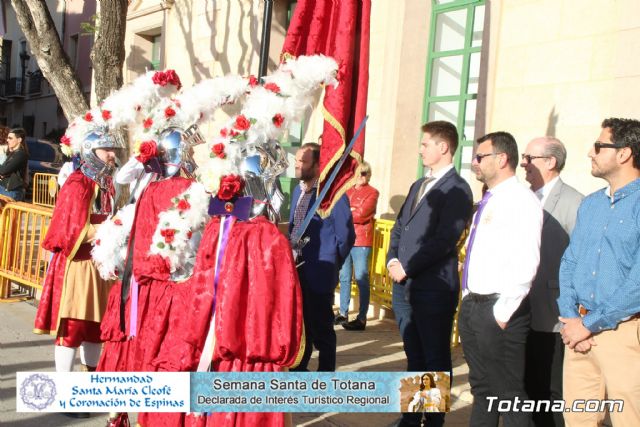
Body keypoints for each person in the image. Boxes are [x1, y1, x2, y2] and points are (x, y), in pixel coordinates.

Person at [387, 120, 473, 427]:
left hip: (434, 287)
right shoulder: (417, 184)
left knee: (435, 358)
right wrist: (392, 261)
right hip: (406, 286)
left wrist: (407, 267)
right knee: (414, 353)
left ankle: (433, 422)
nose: (420, 149)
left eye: (425, 144)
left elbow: (443, 240)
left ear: (443, 147)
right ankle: (411, 418)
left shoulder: (458, 190)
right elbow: (400, 227)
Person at [33, 121, 122, 416]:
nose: (111, 154)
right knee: (72, 329)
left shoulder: (106, 184)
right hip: (77, 264)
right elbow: (69, 229)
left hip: (100, 266)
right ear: (91, 149)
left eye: (112, 148)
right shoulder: (78, 182)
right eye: (106, 148)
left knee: (95, 330)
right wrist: (110, 230)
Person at [558, 118, 640, 427]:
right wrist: (570, 319)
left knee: (627, 420)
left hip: (623, 333)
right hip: (578, 332)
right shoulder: (591, 204)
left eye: (598, 145)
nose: (589, 152)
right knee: (578, 419)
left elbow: (637, 283)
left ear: (624, 154)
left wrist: (589, 324)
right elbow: (570, 262)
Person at [458, 131, 542, 427]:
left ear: (502, 158)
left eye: (481, 156)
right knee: (483, 391)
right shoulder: (491, 198)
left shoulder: (521, 200)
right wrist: (469, 299)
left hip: (499, 310)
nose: (475, 162)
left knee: (509, 397)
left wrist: (502, 313)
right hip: (475, 305)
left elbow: (527, 261)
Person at [520, 136, 583, 427]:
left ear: (550, 162)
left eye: (528, 157)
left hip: (552, 313)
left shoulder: (575, 202)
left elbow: (580, 260)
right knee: (525, 386)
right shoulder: (523, 198)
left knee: (550, 390)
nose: (522, 163)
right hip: (518, 309)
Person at [289, 142, 355, 372]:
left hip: (320, 272)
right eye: (297, 160)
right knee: (301, 326)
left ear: (318, 165)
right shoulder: (297, 191)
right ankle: (300, 369)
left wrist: (331, 261)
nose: (297, 165)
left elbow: (346, 235)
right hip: (296, 270)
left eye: (303, 161)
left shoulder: (331, 195)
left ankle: (325, 377)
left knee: (322, 330)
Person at [337, 161, 379, 330]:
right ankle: (343, 313)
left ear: (369, 175)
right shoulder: (347, 191)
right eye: (359, 173)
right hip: (347, 237)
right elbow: (340, 211)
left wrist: (350, 211)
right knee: (344, 277)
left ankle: (362, 318)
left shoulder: (373, 192)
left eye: (365, 173)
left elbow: (362, 214)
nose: (361, 177)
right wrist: (352, 210)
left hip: (361, 239)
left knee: (361, 278)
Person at [0, 128, 29, 201]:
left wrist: (3, 172)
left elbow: (4, 170)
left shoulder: (21, 154)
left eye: (10, 138)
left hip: (11, 192)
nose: (7, 140)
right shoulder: (13, 153)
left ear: (19, 140)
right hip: (4, 188)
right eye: (7, 138)